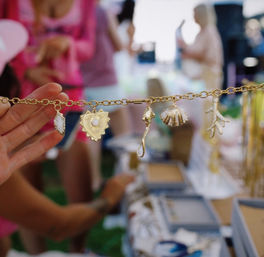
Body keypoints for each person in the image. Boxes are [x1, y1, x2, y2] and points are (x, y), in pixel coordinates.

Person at [2, 0, 97, 253]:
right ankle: (38, 253)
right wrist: (27, 72)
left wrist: (69, 45)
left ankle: (78, 249)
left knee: (79, 178)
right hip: (24, 101)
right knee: (25, 181)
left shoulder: (87, 3)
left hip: (70, 97)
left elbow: (89, 47)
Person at [81, 3, 131, 191]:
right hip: (107, 80)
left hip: (85, 82)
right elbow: (118, 45)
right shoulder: (102, 12)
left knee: (93, 137)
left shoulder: (75, 13)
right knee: (124, 137)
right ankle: (128, 179)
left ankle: (95, 180)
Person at [178, 3, 223, 91]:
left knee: (208, 102)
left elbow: (210, 56)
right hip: (206, 75)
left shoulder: (209, 31)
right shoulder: (203, 32)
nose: (193, 17)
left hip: (209, 75)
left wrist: (187, 51)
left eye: (195, 14)